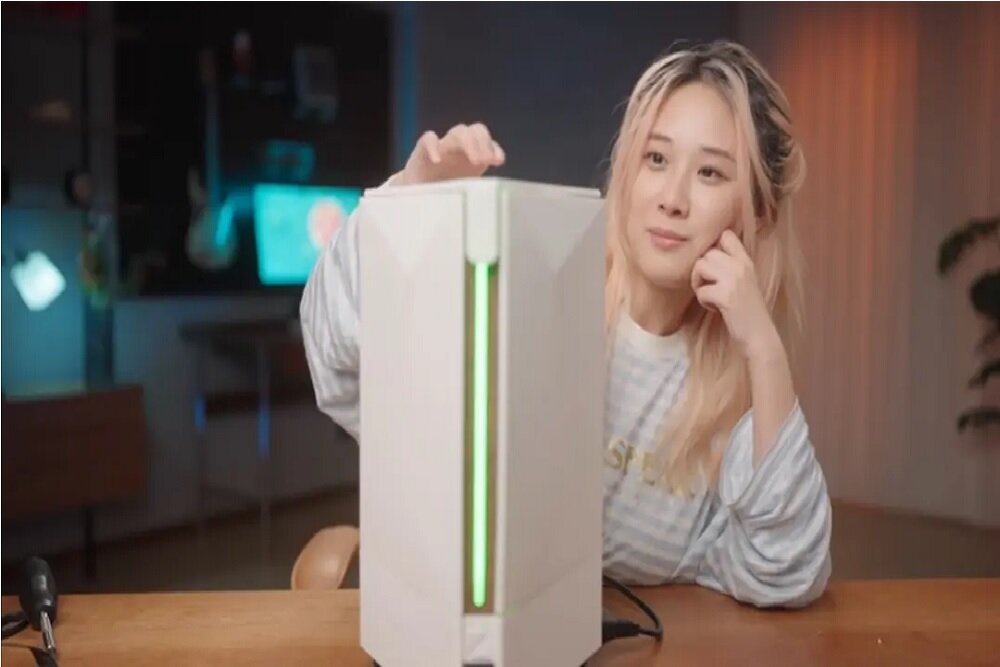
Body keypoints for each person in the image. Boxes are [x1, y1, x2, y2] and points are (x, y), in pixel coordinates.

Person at [300, 40, 832, 608]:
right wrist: (410, 207)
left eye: (709, 172)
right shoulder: (526, 294)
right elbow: (339, 367)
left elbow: (783, 572)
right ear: (628, 169)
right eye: (656, 159)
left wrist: (764, 350)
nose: (672, 198)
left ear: (756, 212)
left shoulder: (738, 403)